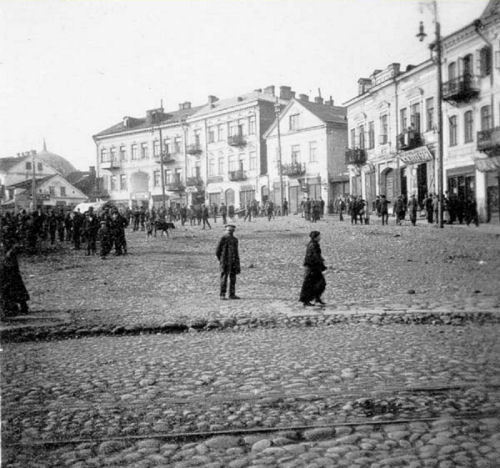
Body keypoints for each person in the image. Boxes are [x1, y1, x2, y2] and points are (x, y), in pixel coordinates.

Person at [1, 241, 30, 318]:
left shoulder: (8, 233)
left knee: (13, 283)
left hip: (9, 263)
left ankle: (18, 306)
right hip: (4, 262)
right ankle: (10, 307)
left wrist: (10, 252)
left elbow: (19, 243)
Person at [299, 231, 327, 307]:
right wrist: (322, 265)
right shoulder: (313, 245)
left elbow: (316, 256)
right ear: (315, 237)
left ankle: (316, 298)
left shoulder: (313, 244)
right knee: (311, 284)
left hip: (312, 267)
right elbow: (315, 256)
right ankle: (306, 300)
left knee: (318, 283)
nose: (320, 237)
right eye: (319, 236)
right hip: (312, 267)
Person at [216, 224, 241, 300]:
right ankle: (222, 294)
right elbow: (217, 251)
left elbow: (236, 252)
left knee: (232, 278)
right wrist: (221, 259)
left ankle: (231, 294)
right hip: (225, 260)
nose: (230, 232)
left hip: (233, 261)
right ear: (226, 230)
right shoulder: (223, 238)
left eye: (231, 230)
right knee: (224, 277)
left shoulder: (235, 240)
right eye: (229, 230)